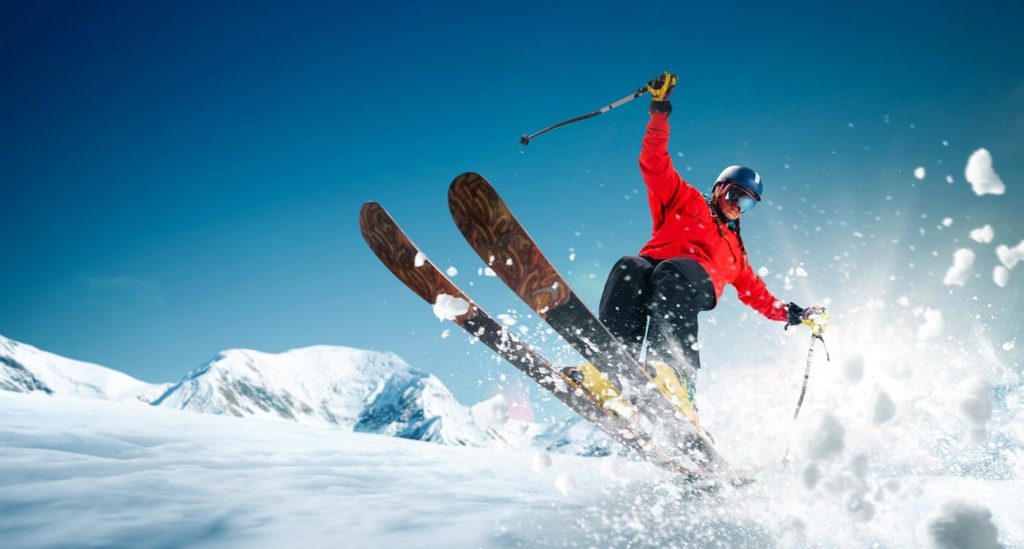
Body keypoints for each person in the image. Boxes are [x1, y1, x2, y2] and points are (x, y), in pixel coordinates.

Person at [598, 72, 820, 418]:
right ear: (718, 188)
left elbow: (759, 296)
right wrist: (659, 112)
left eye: (746, 204)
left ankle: (676, 375)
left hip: (690, 282)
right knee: (630, 266)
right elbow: (655, 163)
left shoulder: (735, 252)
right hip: (653, 269)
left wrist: (795, 313)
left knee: (673, 272)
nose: (736, 205)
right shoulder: (683, 198)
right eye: (734, 195)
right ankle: (612, 368)